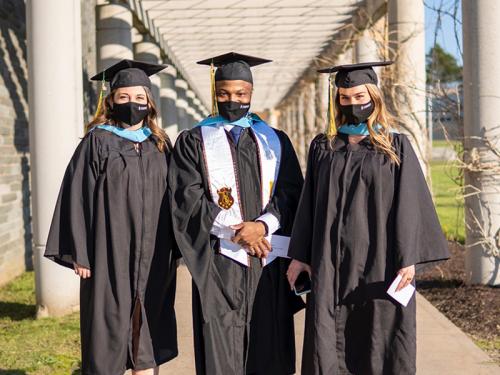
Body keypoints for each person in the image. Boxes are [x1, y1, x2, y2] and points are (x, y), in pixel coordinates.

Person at [286, 61, 450, 375]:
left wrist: (409, 257)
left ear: (374, 97)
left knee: (381, 338)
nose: (352, 103)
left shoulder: (394, 146)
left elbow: (411, 203)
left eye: (359, 96)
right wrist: (300, 256)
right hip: (331, 263)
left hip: (380, 262)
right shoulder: (324, 147)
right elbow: (309, 203)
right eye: (344, 98)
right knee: (328, 340)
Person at [169, 52, 305, 375]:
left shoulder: (275, 141)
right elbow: (186, 198)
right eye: (225, 94)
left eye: (241, 94)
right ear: (215, 95)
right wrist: (237, 231)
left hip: (266, 262)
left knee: (268, 348)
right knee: (222, 352)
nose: (233, 100)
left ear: (251, 94)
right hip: (220, 265)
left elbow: (291, 193)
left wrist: (262, 225)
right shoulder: (193, 142)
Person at [44, 59, 179, 375]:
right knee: (108, 326)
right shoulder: (97, 141)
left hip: (155, 253)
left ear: (149, 103)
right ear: (111, 101)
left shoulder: (160, 144)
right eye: (124, 98)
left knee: (149, 328)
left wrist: (181, 244)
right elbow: (76, 195)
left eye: (139, 99)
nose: (132, 104)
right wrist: (81, 252)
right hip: (109, 252)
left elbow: (178, 197)